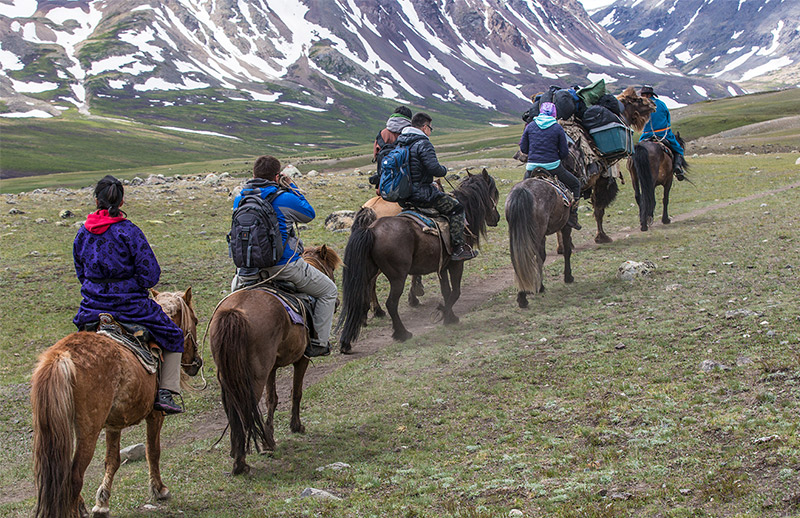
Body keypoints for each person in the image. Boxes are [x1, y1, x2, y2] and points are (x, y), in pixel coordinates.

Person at [73, 175, 185, 414]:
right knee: (175, 335)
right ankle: (167, 392)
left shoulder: (83, 233)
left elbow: (81, 272)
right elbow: (151, 276)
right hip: (130, 306)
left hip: (92, 308)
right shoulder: (129, 232)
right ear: (121, 202)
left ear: (96, 201)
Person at [230, 155, 337, 357]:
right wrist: (292, 186)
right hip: (284, 266)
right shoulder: (284, 197)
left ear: (253, 174)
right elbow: (309, 214)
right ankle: (319, 342)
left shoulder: (239, 199)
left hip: (247, 270)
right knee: (328, 291)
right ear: (277, 176)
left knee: (232, 302)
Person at [395, 112, 477, 261]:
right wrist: (443, 169)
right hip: (423, 195)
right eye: (430, 128)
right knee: (457, 208)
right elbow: (434, 168)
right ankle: (458, 248)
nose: (430, 132)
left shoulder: (401, 141)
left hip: (404, 195)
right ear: (425, 127)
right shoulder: (423, 143)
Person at [519, 102, 582, 229]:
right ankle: (572, 216)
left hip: (532, 168)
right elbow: (564, 152)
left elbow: (524, 148)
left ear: (540, 112)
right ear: (554, 114)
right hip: (552, 166)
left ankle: (521, 218)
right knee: (576, 184)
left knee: (521, 193)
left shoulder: (530, 126)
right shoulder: (557, 128)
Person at [639, 85, 686, 181]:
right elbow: (668, 119)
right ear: (651, 94)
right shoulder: (661, 104)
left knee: (637, 149)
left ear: (646, 95)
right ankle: (677, 168)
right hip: (663, 133)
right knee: (678, 149)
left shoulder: (640, 105)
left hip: (646, 134)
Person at [368, 105, 413, 190]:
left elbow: (376, 155)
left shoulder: (382, 133)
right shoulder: (409, 133)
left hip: (384, 183)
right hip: (406, 184)